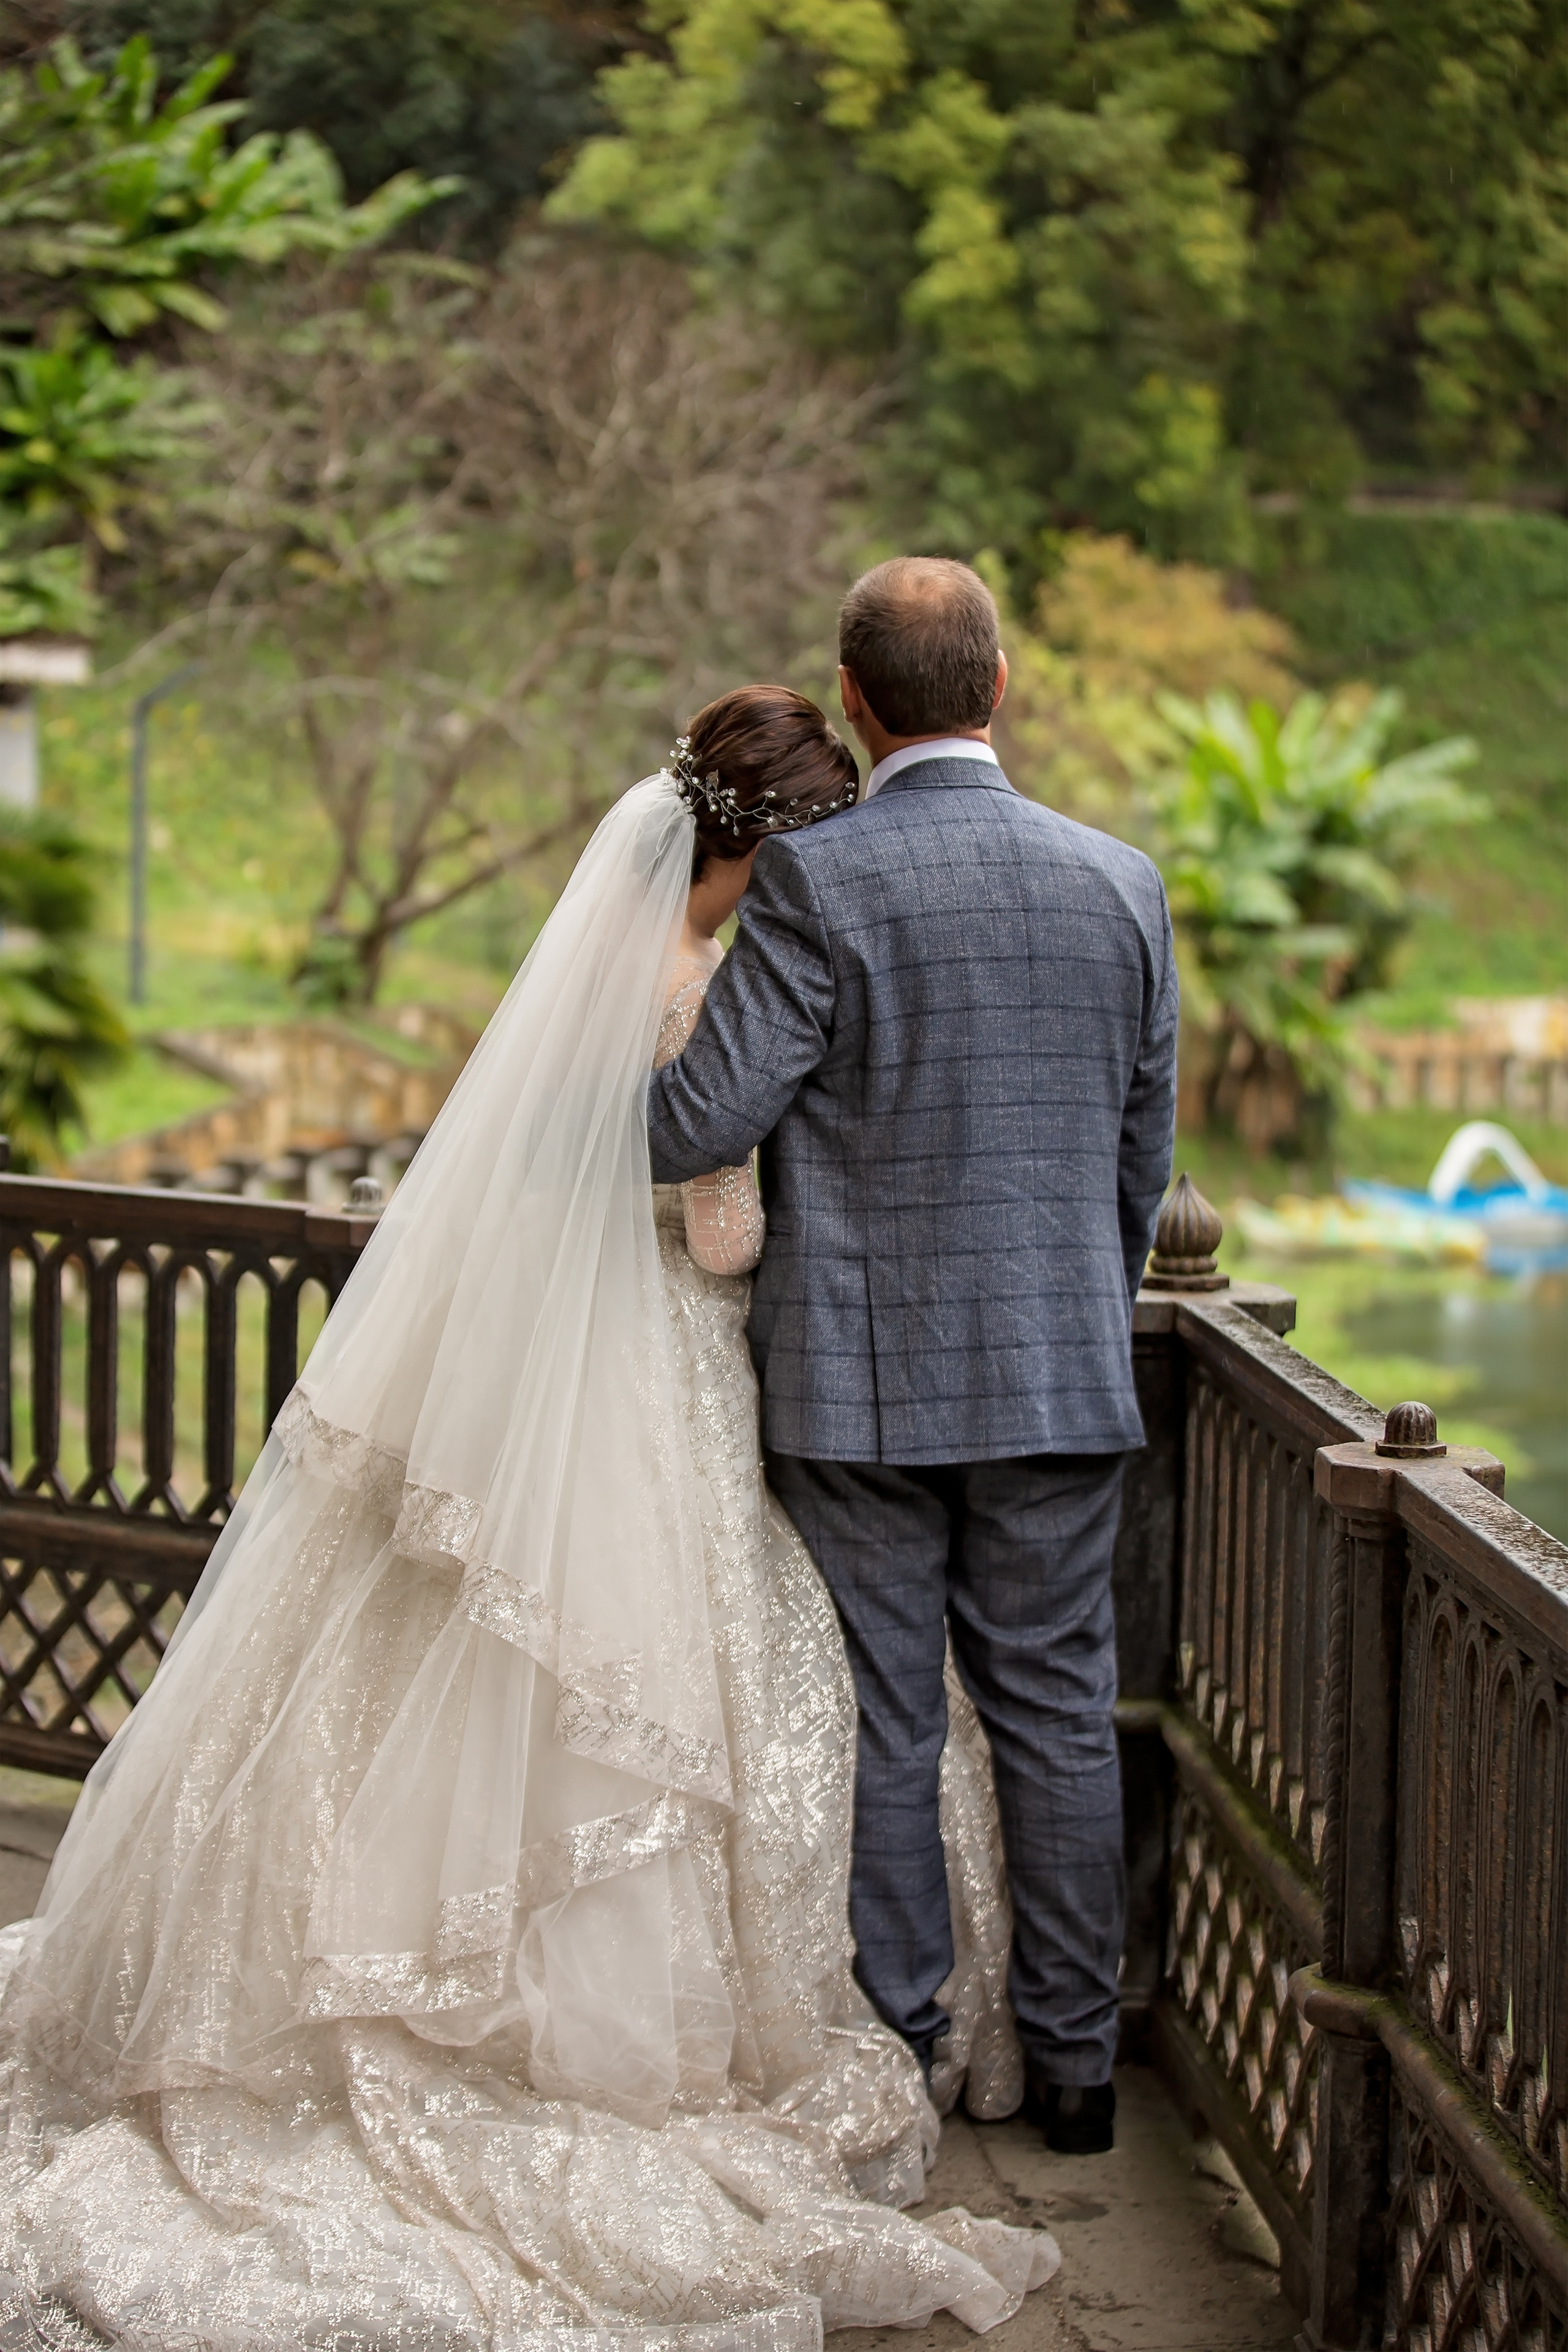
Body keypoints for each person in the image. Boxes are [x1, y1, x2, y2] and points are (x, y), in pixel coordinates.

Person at [0, 685, 1056, 2351]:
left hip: (554, 1373)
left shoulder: (603, 972)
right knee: (680, 1683)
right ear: (774, 845)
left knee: (460, 1658)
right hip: (667, 1375)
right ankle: (637, 2030)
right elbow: (722, 1238)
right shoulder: (706, 988)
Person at [648, 564, 1179, 2157]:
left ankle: (906, 2060)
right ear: (998, 685)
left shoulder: (819, 881)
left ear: (855, 702)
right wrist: (1069, 1307)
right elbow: (1140, 1163)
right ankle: (1077, 2076)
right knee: (1059, 1714)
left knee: (892, 1714)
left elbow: (697, 1120)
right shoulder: (1124, 885)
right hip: (1060, 1379)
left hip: (858, 1391)